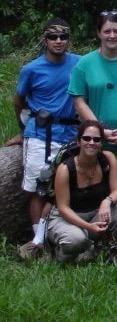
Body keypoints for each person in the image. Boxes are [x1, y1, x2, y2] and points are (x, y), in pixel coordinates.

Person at [14, 18, 80, 260]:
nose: (59, 41)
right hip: (41, 133)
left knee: (61, 187)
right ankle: (37, 241)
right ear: (45, 40)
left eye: (63, 37)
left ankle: (56, 236)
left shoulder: (78, 63)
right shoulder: (32, 69)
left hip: (70, 133)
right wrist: (23, 129)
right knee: (37, 189)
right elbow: (18, 100)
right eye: (53, 37)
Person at [69, 10, 117, 204]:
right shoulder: (84, 64)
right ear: (99, 33)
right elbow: (79, 100)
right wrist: (100, 130)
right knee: (98, 190)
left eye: (116, 31)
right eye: (107, 31)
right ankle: (97, 232)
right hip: (95, 139)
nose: (112, 36)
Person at [44, 119, 117, 269]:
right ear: (79, 141)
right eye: (86, 138)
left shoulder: (107, 159)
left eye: (97, 139)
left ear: (101, 142)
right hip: (66, 219)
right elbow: (63, 208)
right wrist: (88, 227)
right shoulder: (65, 169)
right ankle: (60, 255)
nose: (91, 142)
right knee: (77, 240)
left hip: (95, 214)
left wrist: (107, 201)